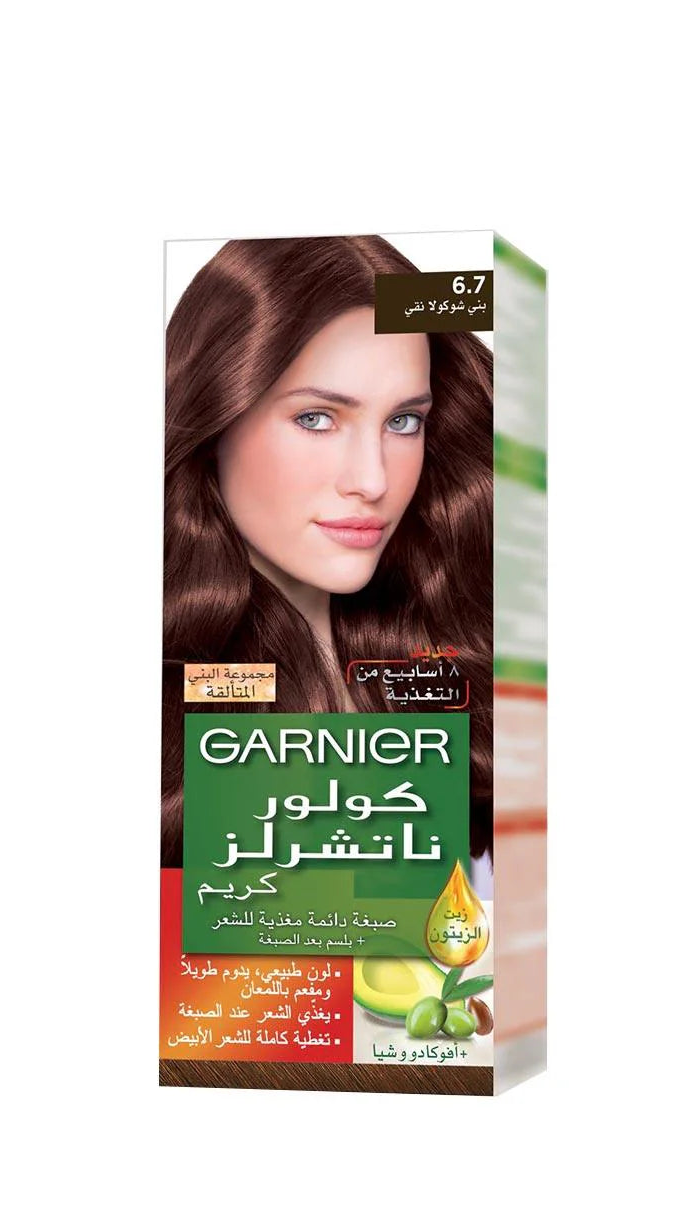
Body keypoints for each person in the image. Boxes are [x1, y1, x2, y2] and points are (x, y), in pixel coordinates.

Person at [163, 236, 493, 872]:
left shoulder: (455, 661)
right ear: (216, 417)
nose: (372, 480)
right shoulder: (179, 696)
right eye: (316, 418)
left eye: (403, 421)